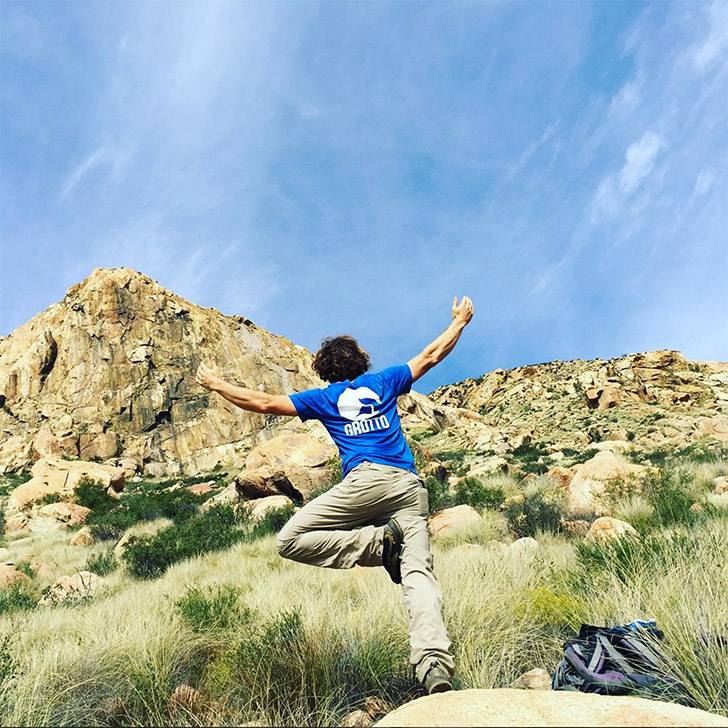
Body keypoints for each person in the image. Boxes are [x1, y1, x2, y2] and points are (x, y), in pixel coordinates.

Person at [195, 295, 474, 694]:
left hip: (363, 484)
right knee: (419, 577)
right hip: (408, 490)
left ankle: (381, 545)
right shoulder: (384, 381)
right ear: (360, 361)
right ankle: (434, 668)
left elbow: (263, 402)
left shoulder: (324, 399)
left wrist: (215, 383)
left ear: (326, 371)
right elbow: (430, 355)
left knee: (290, 539)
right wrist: (459, 322)